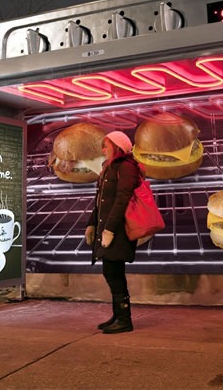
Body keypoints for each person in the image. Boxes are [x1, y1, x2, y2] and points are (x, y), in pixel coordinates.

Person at [85, 131, 140, 334]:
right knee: (112, 272)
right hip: (106, 229)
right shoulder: (108, 168)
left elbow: (122, 199)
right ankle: (118, 315)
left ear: (117, 146)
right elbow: (100, 201)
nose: (102, 149)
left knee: (114, 273)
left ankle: (125, 319)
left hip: (118, 230)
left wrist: (109, 229)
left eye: (106, 145)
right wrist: (92, 224)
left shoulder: (126, 167)